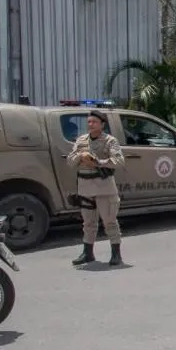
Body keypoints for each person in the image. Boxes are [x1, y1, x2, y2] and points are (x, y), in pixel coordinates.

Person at [66, 109, 125, 266]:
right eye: (89, 122)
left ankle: (116, 254)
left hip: (104, 187)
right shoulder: (81, 141)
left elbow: (119, 161)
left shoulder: (109, 141)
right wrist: (80, 156)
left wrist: (98, 162)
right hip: (85, 187)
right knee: (88, 222)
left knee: (110, 221)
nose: (91, 124)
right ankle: (87, 253)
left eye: (94, 122)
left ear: (102, 125)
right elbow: (70, 161)